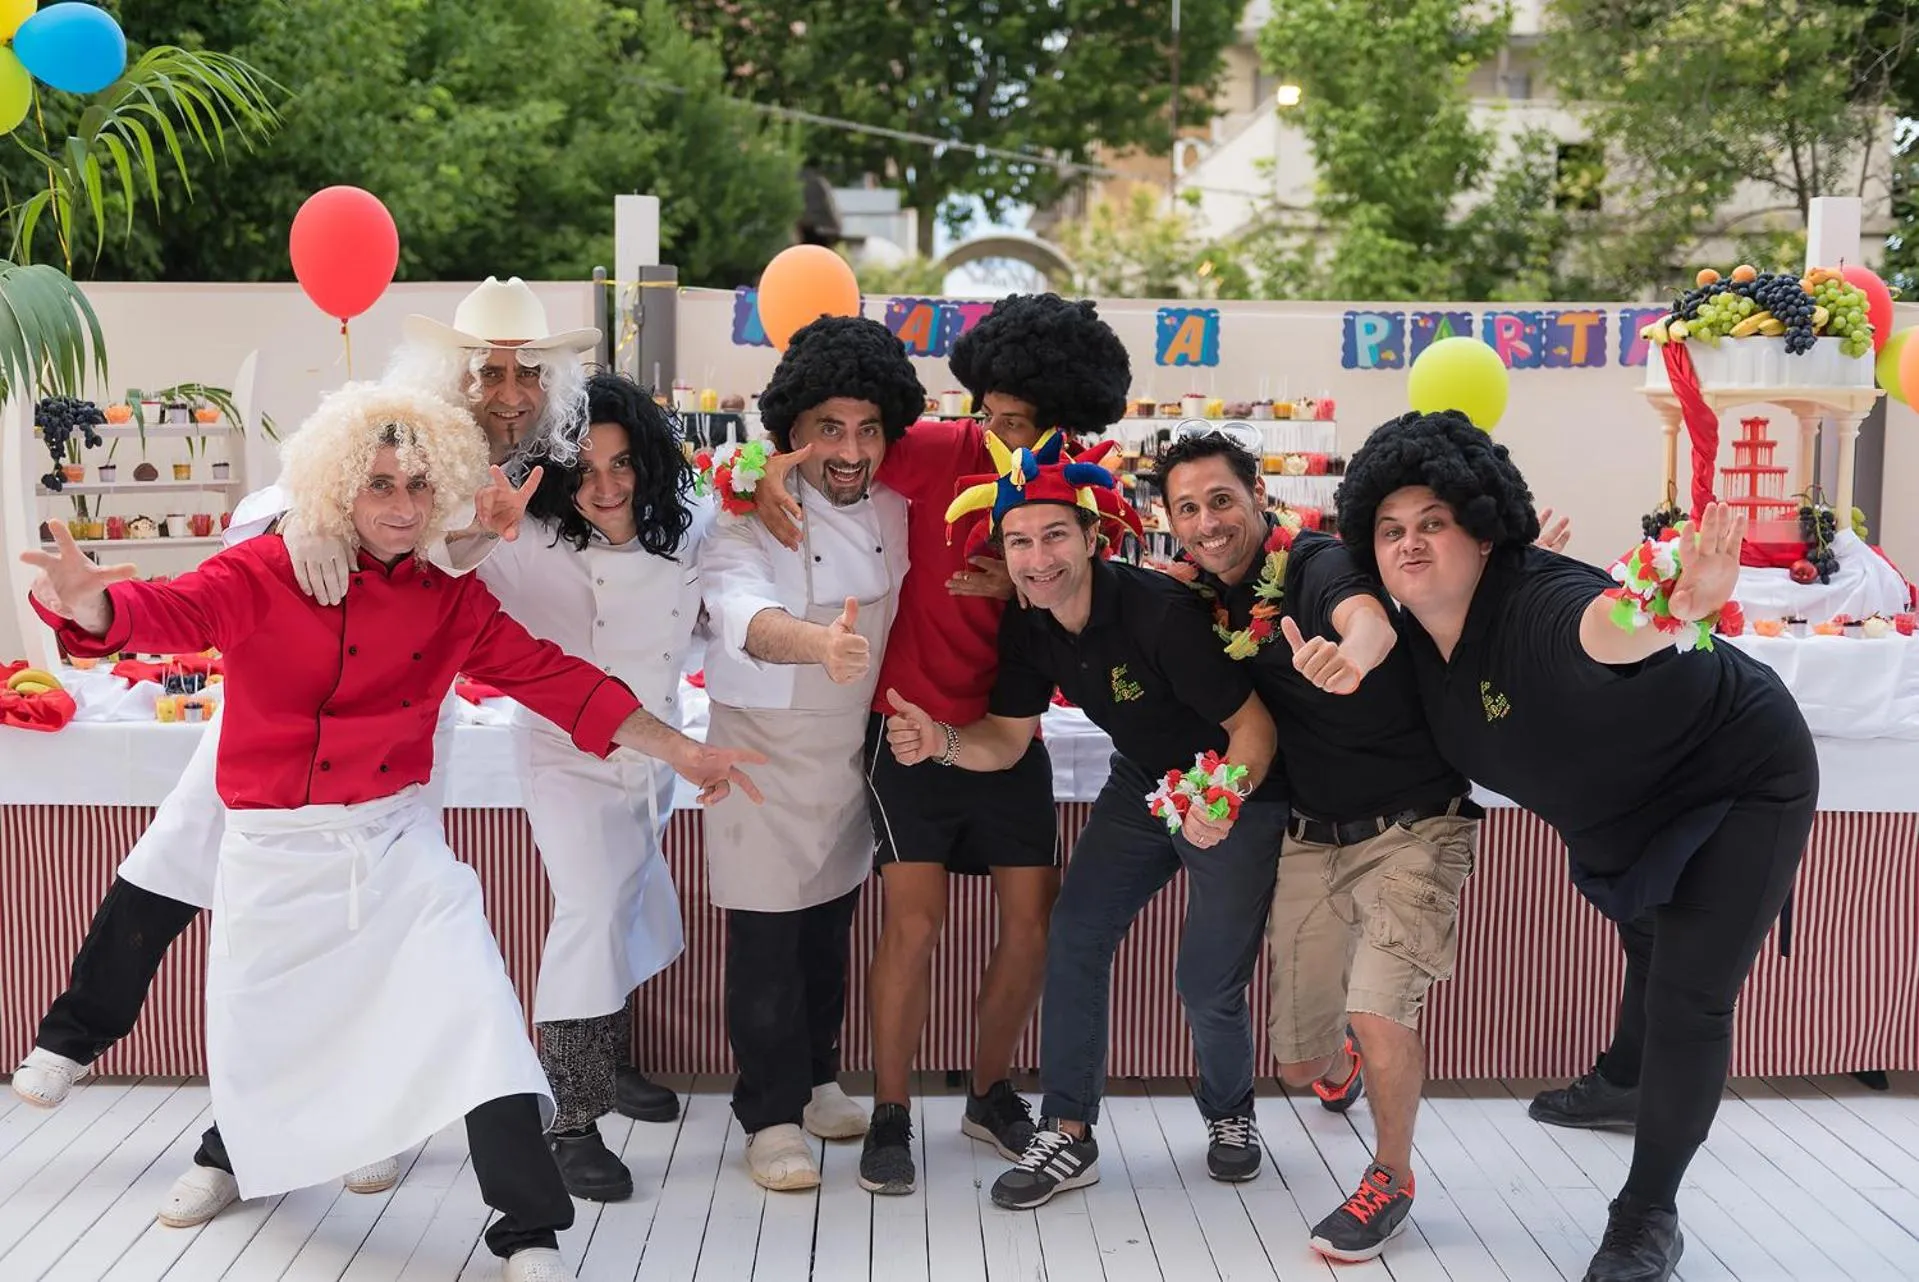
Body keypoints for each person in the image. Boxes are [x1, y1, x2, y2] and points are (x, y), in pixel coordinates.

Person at [21, 383, 761, 1282]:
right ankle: (234, 1159)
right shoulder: (264, 570)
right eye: (378, 486)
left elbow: (557, 679)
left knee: (477, 1016)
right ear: (337, 488)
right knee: (266, 1041)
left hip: (396, 842)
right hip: (276, 852)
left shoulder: (451, 598)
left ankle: (528, 1233)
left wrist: (683, 750)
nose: (402, 507)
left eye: (418, 485)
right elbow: (166, 614)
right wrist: (93, 609)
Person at [8, 278, 616, 1128]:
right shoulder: (384, 432)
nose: (508, 395)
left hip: (405, 724)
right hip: (284, 700)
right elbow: (292, 503)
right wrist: (304, 526)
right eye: (488, 373)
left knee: (378, 923)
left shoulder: (560, 471)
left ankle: (338, 1126)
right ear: (453, 374)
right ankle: (72, 1037)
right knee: (178, 851)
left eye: (527, 376)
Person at [1335, 410, 1816, 1282]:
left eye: (1433, 524)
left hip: (1737, 774)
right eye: (1390, 529)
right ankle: (1625, 1079)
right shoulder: (1417, 641)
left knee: (1688, 998)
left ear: (1483, 535)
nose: (1408, 544)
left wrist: (1670, 609)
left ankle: (1645, 1216)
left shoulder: (1537, 602)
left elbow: (1601, 628)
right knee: (1645, 931)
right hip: (1623, 803)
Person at [1155, 428, 1574, 1262]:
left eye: (1222, 500)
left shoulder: (1313, 565)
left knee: (1377, 1007)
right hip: (1312, 841)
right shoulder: (1205, 599)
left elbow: (1367, 618)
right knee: (1304, 1056)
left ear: (1258, 500)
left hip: (1417, 825)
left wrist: (1351, 655)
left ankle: (1390, 1175)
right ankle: (1338, 1067)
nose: (1207, 521)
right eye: (1188, 508)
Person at [750, 293, 1134, 1195]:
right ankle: (890, 1110)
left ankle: (989, 1090)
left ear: (1060, 423)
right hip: (909, 727)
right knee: (914, 922)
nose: (994, 430)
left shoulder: (1078, 497)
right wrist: (765, 470)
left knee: (1032, 926)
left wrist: (1026, 577)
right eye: (986, 410)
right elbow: (825, 454)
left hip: (1009, 733)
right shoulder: (931, 455)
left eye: (1017, 419)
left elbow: (1100, 593)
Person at [885, 439, 1283, 1210]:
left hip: (1234, 785)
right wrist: (941, 742)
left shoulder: (1158, 614)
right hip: (1143, 784)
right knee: (1072, 933)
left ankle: (1231, 1113)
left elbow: (1254, 731)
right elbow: (1004, 742)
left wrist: (1221, 798)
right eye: (1020, 541)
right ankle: (1067, 1130)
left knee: (1205, 983)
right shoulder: (1029, 627)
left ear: (1093, 537)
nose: (1037, 558)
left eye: (1055, 535)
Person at [475, 371, 712, 1200]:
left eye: (622, 465)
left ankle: (609, 1064)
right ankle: (570, 1121)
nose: (605, 487)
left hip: (655, 756)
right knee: (588, 911)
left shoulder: (690, 525)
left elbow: (724, 607)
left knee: (630, 900)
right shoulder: (519, 540)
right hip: (564, 754)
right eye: (584, 470)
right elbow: (446, 580)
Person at [699, 316, 922, 1192]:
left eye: (868, 428)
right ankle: (767, 1113)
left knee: (828, 927)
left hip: (843, 753)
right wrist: (817, 645)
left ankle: (819, 1076)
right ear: (790, 430)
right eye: (829, 427)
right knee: (765, 938)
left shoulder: (898, 513)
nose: (850, 449)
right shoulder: (737, 516)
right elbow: (740, 612)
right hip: (758, 752)